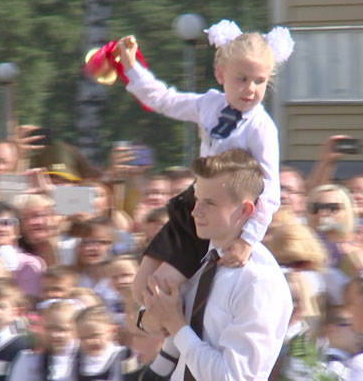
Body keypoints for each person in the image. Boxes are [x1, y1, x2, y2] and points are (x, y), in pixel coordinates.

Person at [119, 20, 293, 308]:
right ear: (220, 74)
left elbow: (270, 189)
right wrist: (131, 66)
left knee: (162, 288)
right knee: (141, 285)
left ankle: (181, 342)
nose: (250, 89)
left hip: (225, 213)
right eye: (241, 79)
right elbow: (164, 99)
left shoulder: (261, 128)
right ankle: (164, 343)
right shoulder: (209, 104)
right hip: (195, 202)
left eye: (259, 81)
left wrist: (248, 239)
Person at [140, 149, 292, 380]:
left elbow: (232, 377)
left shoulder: (259, 281)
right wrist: (155, 317)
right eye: (197, 199)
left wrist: (175, 323)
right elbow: (148, 319)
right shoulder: (195, 261)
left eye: (209, 203)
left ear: (245, 209)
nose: (195, 211)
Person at [8, 300, 79, 381]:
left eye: (62, 329)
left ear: (76, 330)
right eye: (49, 328)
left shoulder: (81, 361)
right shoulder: (28, 360)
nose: (54, 334)